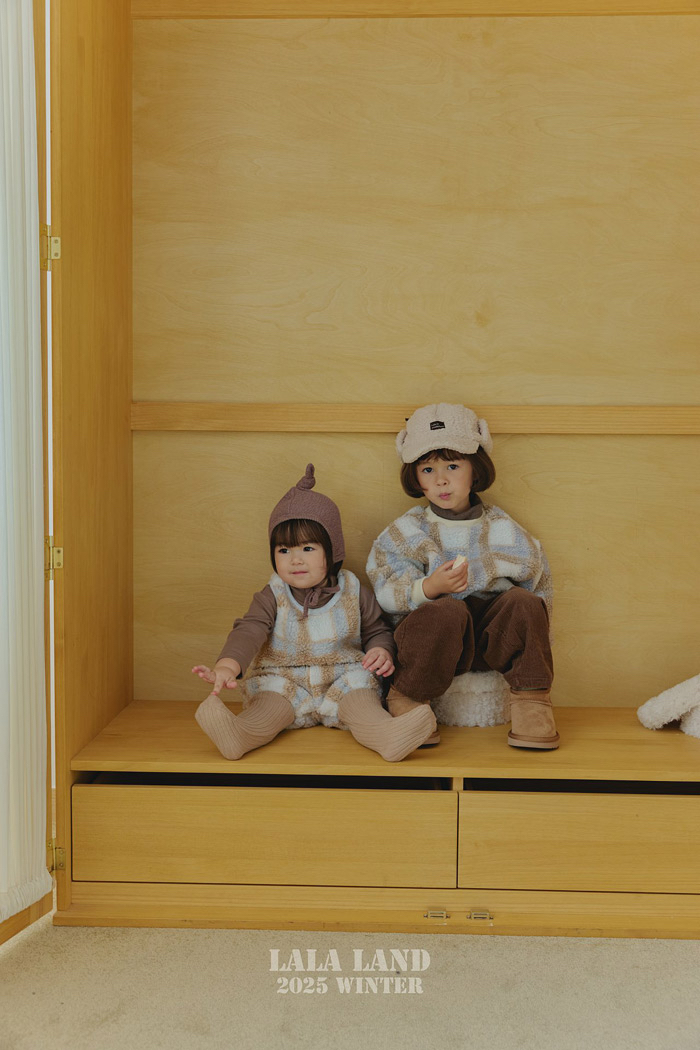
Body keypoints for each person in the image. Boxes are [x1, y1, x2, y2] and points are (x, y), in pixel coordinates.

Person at [192, 463, 437, 761]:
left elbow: (377, 629)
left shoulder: (352, 589)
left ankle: (387, 735)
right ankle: (240, 734)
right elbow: (249, 629)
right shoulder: (274, 594)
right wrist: (227, 666)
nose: (295, 560)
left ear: (332, 551)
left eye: (307, 549)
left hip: (343, 678)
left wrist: (381, 651)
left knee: (363, 704)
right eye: (284, 551)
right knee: (268, 708)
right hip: (285, 680)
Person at [366, 403, 559, 749]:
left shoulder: (503, 527)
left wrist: (531, 621)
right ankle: (408, 696)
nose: (441, 480)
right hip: (433, 646)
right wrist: (429, 587)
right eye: (428, 469)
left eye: (453, 466)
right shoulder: (408, 531)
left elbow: (538, 584)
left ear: (475, 470)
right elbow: (385, 589)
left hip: (491, 641)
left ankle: (532, 701)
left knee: (524, 602)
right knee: (446, 610)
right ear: (415, 478)